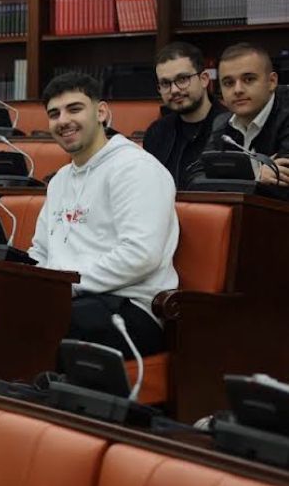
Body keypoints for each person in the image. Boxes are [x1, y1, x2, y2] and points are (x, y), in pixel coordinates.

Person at [29, 72, 178, 357]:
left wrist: (66, 287)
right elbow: (40, 252)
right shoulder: (59, 180)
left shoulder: (136, 168)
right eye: (54, 114)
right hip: (72, 302)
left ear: (101, 112)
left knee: (46, 323)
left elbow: (140, 255)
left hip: (130, 309)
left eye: (74, 109)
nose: (63, 120)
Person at [204, 42, 289, 184]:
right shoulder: (222, 124)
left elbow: (283, 180)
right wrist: (256, 175)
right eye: (228, 83)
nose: (237, 90)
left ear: (272, 81)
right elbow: (195, 177)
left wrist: (229, 178)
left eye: (248, 79)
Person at [143, 41, 226, 186]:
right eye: (165, 83)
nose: (174, 90)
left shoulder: (232, 128)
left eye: (182, 79)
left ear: (204, 79)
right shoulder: (156, 133)